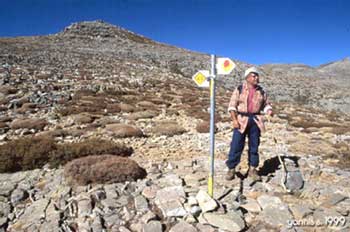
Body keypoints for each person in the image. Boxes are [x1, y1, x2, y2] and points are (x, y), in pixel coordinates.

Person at [226, 67, 273, 181]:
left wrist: (269, 110)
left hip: (255, 120)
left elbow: (266, 104)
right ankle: (231, 168)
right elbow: (232, 105)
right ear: (247, 77)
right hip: (241, 119)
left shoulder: (261, 91)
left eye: (257, 75)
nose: (256, 77)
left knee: (254, 146)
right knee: (236, 145)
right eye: (253, 75)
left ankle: (252, 169)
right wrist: (234, 120)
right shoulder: (239, 89)